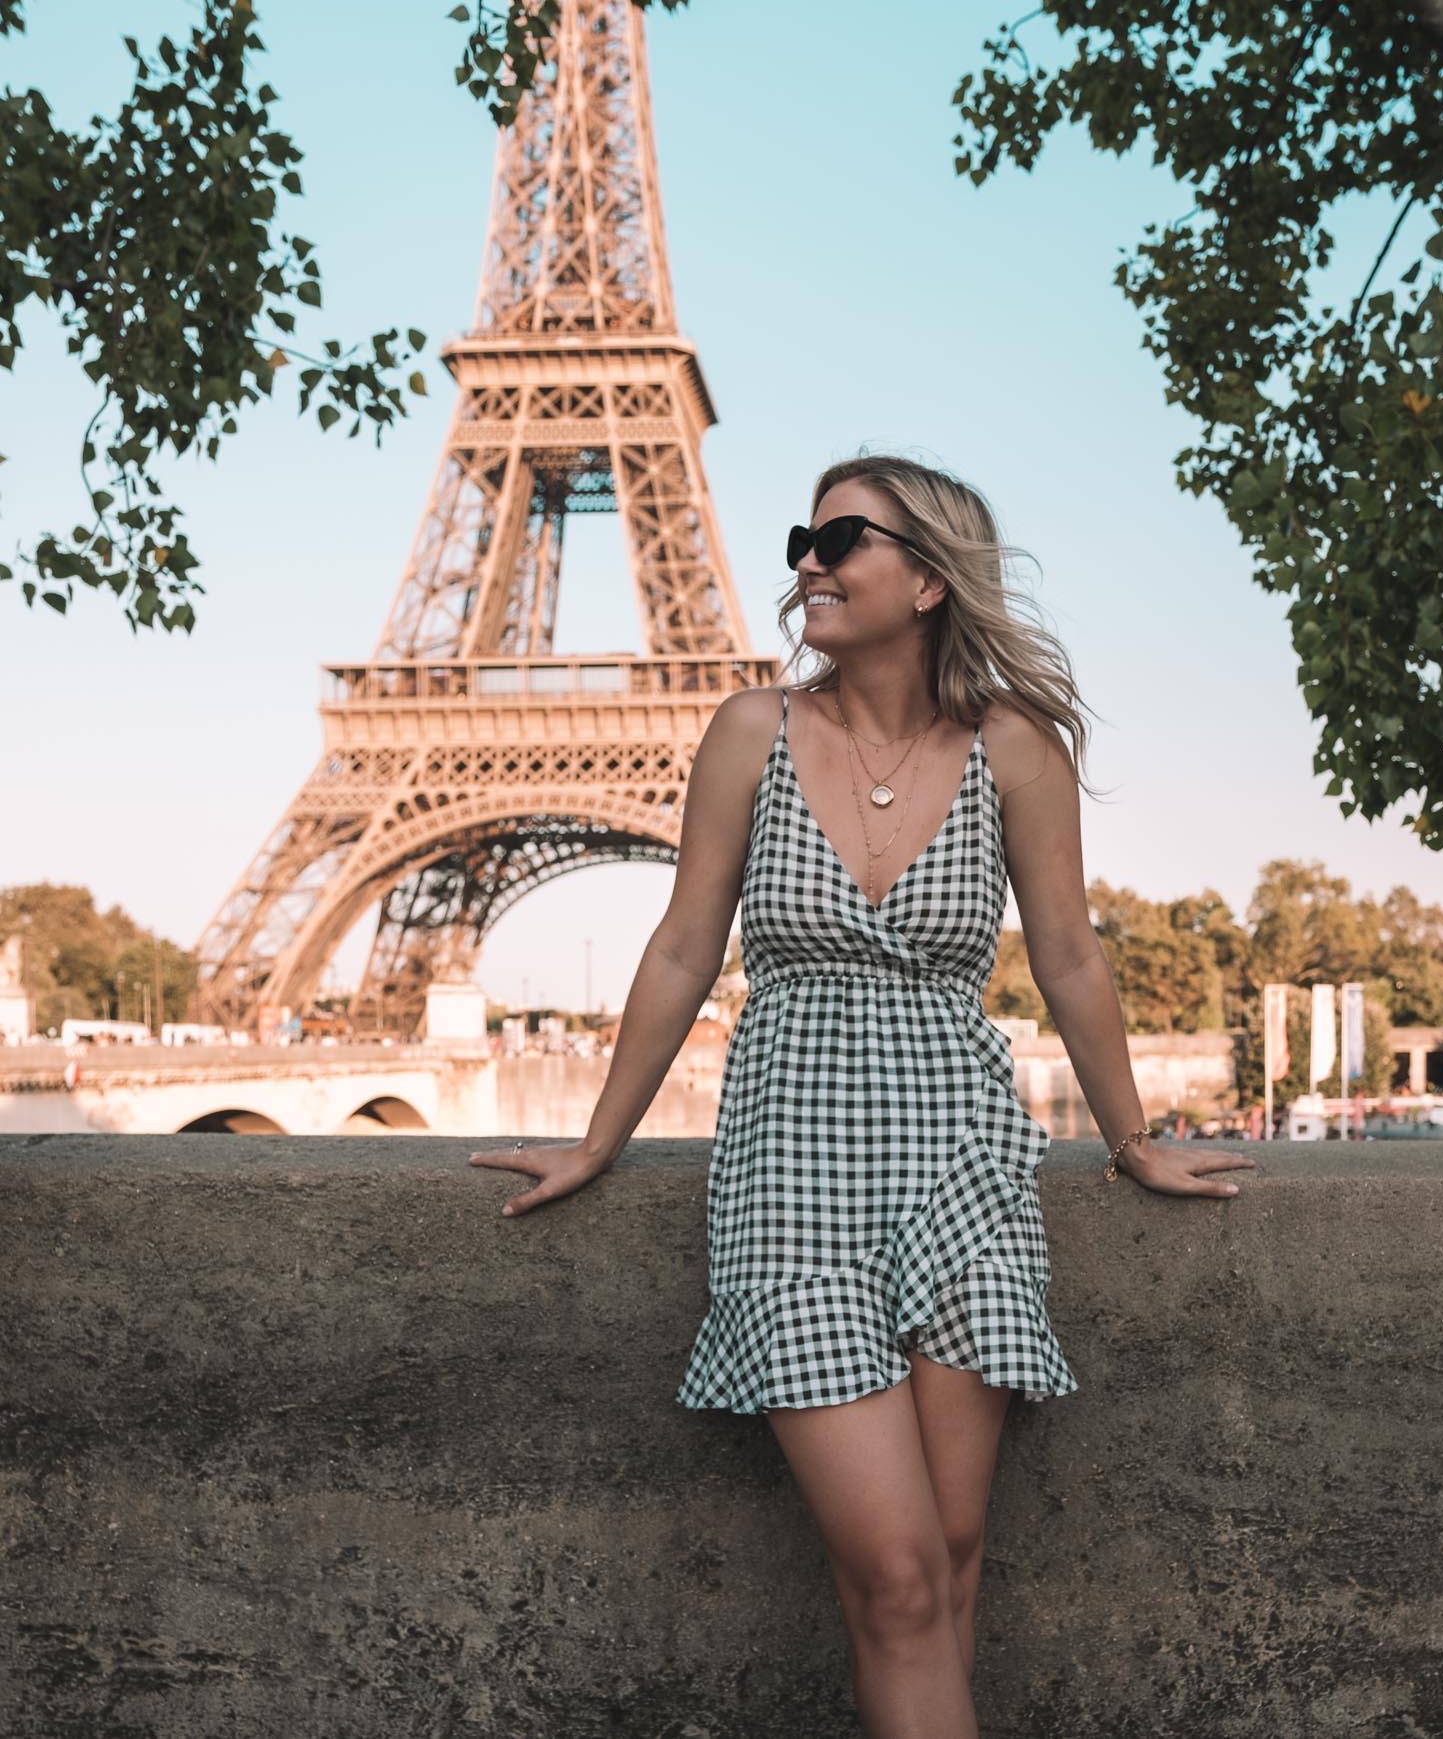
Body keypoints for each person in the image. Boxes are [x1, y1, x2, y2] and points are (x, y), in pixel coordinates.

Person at [471, 454, 1257, 1737]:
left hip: (963, 1163)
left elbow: (1067, 952)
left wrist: (1132, 1139)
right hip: (792, 1177)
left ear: (932, 578)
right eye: (804, 536)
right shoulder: (751, 731)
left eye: (844, 538)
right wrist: (600, 1140)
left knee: (944, 1560)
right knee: (897, 1579)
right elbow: (682, 945)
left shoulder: (1016, 750)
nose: (808, 560)